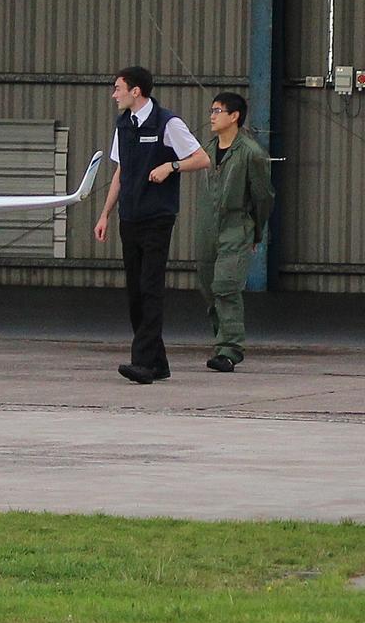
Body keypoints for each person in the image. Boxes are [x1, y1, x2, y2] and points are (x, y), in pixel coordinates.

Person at [93, 66, 203, 384]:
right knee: (135, 292)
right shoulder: (123, 125)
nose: (114, 95)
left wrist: (172, 165)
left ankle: (141, 362)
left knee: (150, 287)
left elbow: (201, 158)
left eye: (118, 88)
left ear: (136, 91)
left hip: (157, 217)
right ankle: (158, 361)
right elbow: (120, 173)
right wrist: (105, 214)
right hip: (130, 216)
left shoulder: (168, 123)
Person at [195, 92, 274, 373]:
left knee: (226, 286)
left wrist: (255, 231)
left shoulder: (251, 153)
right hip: (207, 230)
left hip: (235, 228)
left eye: (218, 110)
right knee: (208, 285)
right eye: (211, 110)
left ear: (234, 116)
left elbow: (264, 197)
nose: (212, 116)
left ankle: (229, 350)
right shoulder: (205, 150)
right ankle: (221, 340)